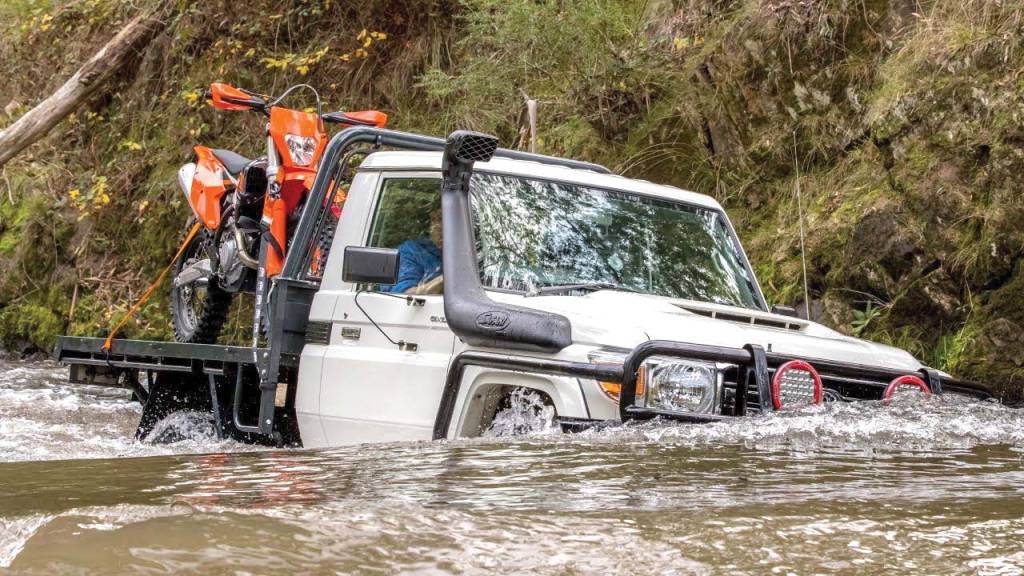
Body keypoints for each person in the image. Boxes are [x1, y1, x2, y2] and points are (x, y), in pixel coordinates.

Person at [384, 205, 442, 293]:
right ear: (433, 219)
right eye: (440, 219)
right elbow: (401, 296)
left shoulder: (467, 249)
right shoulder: (411, 252)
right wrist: (447, 279)